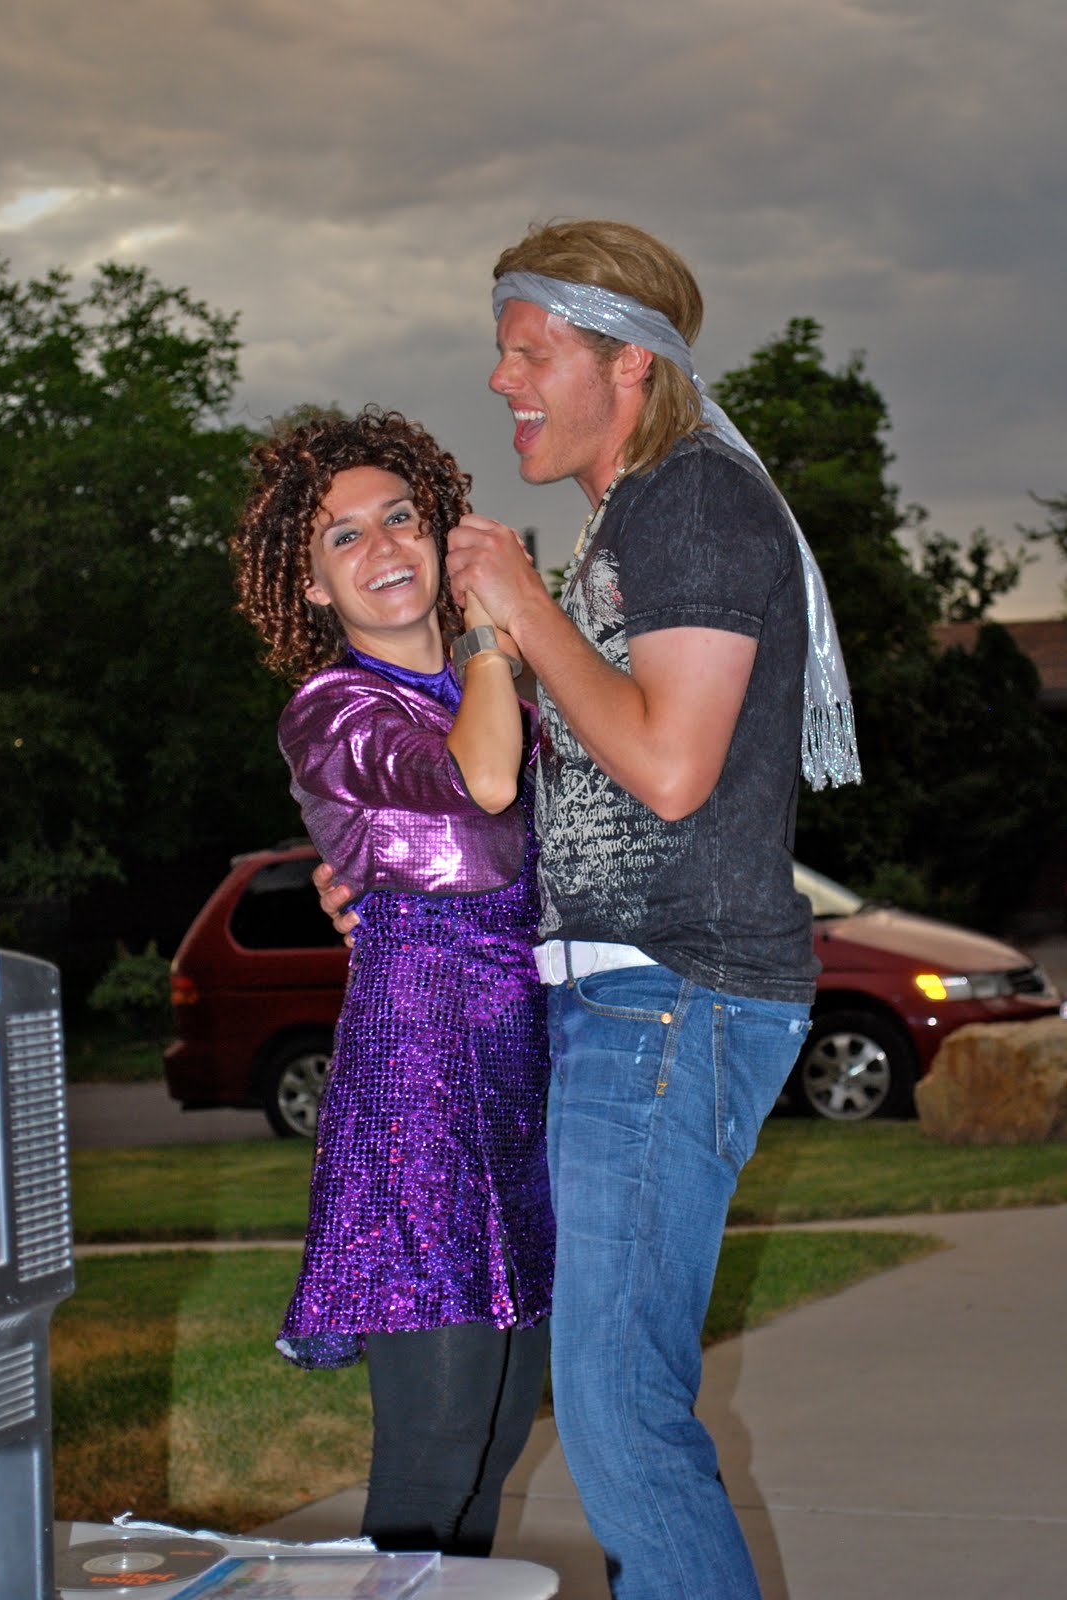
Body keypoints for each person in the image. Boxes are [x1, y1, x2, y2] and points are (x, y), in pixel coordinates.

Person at [319, 221, 859, 1599]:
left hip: (670, 994)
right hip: (620, 997)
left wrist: (515, 603)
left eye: (528, 350)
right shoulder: (633, 520)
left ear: (628, 364)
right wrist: (398, 870)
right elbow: (580, 790)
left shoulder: (690, 502)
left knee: (619, 1413)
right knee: (611, 1403)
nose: (501, 379)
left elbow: (669, 771)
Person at [231, 407, 553, 1559]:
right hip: (418, 1088)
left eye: (402, 516)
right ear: (312, 584)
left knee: (498, 1439)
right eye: (344, 536)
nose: (384, 547)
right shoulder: (335, 708)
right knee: (434, 1449)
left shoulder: (507, 699)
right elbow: (482, 783)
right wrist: (492, 632)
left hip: (524, 1086)